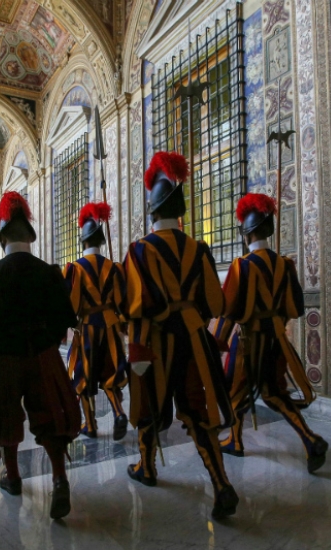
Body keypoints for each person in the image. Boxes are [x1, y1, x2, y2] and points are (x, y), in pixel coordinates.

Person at [123, 151, 239, 519]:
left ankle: (147, 467)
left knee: (149, 410)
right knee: (196, 411)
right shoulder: (199, 248)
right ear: (180, 211)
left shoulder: (139, 250)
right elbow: (214, 303)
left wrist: (137, 349)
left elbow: (136, 307)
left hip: (156, 343)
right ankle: (221, 484)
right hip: (193, 340)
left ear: (152, 211)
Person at [0, 191, 80, 519]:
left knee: (4, 416)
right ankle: (59, 479)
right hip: (44, 355)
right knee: (52, 415)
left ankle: (12, 477)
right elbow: (63, 322)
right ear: (30, 237)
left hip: (6, 357)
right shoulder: (49, 272)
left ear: (1, 240)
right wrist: (48, 345)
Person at [211, 193, 328, 473]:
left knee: (232, 389)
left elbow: (229, 309)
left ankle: (236, 441)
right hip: (276, 339)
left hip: (249, 340)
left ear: (247, 233)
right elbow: (296, 307)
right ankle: (309, 439)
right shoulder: (285, 265)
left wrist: (218, 341)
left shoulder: (242, 265)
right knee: (274, 392)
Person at [63, 201, 129, 441]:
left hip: (88, 326)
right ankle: (119, 412)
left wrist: (70, 324)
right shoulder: (115, 268)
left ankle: (90, 425)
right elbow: (122, 302)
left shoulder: (75, 269)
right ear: (101, 241)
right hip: (111, 326)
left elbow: (70, 304)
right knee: (111, 371)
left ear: (83, 242)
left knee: (83, 375)